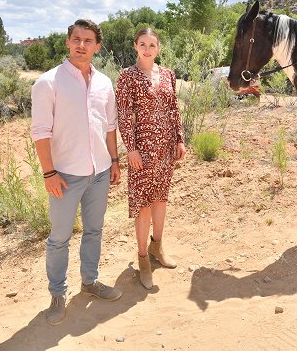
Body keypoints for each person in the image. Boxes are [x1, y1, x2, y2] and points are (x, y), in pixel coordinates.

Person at [31, 19, 122, 326]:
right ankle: (57, 294)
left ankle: (90, 281)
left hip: (99, 172)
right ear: (67, 43)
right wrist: (48, 173)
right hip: (65, 175)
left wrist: (115, 160)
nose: (81, 45)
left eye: (88, 40)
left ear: (97, 46)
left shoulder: (104, 83)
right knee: (59, 238)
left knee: (94, 231)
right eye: (76, 39)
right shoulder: (48, 83)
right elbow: (40, 133)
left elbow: (110, 127)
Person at [115, 28, 186, 290]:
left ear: (158, 48)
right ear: (135, 46)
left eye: (152, 44)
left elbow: (173, 108)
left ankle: (158, 247)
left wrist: (179, 139)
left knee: (160, 198)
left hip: (166, 148)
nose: (147, 49)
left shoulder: (168, 74)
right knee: (143, 203)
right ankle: (143, 257)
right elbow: (123, 114)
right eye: (142, 44)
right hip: (142, 150)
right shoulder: (127, 76)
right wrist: (130, 149)